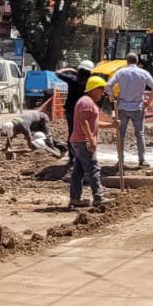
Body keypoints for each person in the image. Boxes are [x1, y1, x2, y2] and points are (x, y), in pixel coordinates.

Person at [109, 52, 153, 168]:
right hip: (138, 107)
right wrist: (148, 101)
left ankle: (120, 161)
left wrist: (113, 99)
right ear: (137, 62)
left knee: (120, 135)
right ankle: (142, 160)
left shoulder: (121, 72)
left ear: (127, 61)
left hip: (122, 107)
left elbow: (108, 85)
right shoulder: (143, 73)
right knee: (140, 134)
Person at [68, 76, 111, 209]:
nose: (102, 92)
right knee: (93, 167)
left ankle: (75, 198)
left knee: (79, 171)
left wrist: (111, 124)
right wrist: (91, 138)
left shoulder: (88, 102)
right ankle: (98, 197)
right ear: (93, 89)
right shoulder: (86, 102)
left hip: (79, 141)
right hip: (83, 141)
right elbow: (83, 121)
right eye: (101, 89)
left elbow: (94, 122)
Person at [56, 59, 96, 147]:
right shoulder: (90, 82)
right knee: (84, 131)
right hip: (84, 110)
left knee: (72, 131)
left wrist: (69, 69)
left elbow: (57, 73)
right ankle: (82, 152)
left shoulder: (72, 79)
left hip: (70, 110)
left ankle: (72, 155)